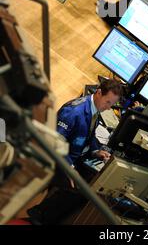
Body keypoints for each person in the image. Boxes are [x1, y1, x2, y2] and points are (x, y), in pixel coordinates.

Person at [26, 78, 123, 224]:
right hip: (55, 159)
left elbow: (90, 135)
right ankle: (39, 214)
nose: (109, 108)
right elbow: (54, 142)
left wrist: (96, 150)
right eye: (107, 102)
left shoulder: (94, 109)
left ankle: (47, 215)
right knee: (79, 190)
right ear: (98, 93)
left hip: (72, 157)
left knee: (91, 184)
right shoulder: (73, 112)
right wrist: (70, 168)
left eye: (112, 104)